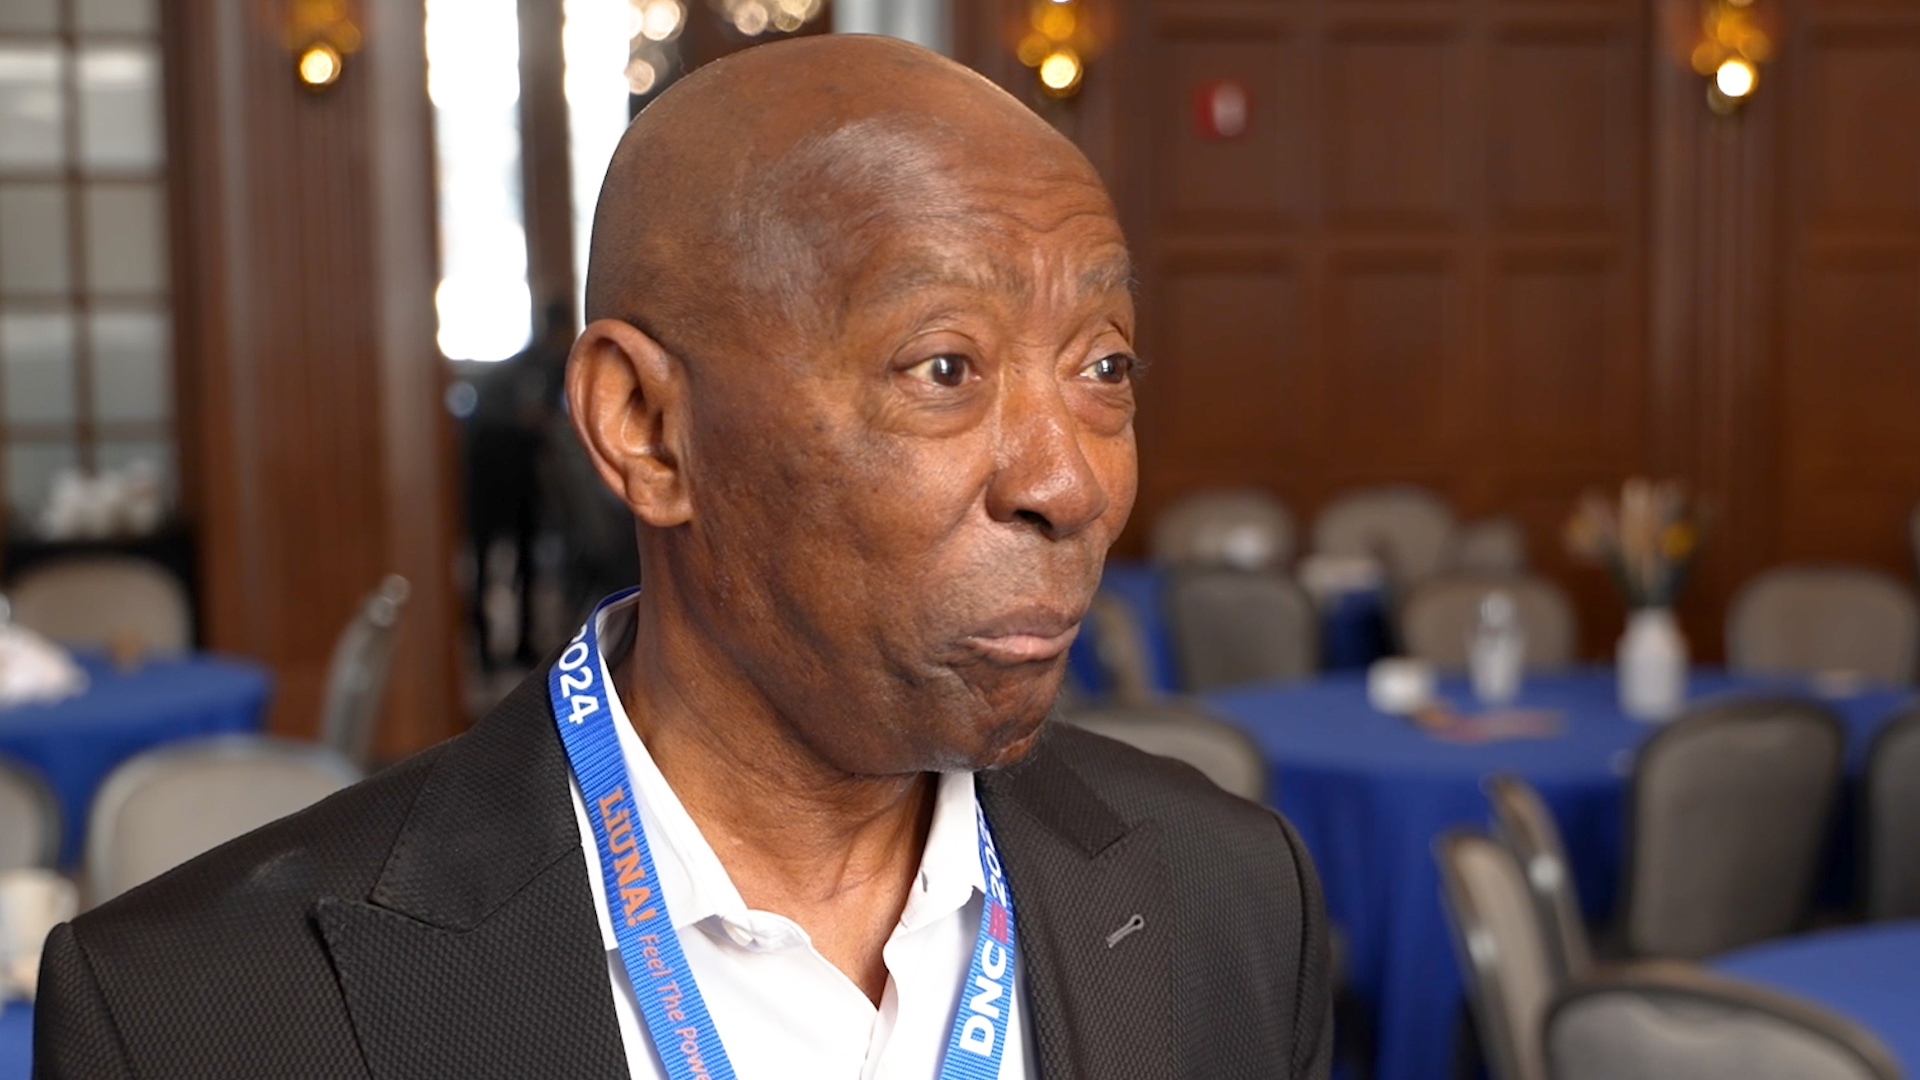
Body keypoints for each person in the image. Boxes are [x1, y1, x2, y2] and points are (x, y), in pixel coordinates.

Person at [34, 35, 1331, 1080]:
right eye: (945, 368)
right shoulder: (201, 1019)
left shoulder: (1226, 899)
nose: (1070, 480)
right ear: (646, 429)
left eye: (1104, 368)